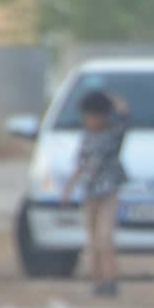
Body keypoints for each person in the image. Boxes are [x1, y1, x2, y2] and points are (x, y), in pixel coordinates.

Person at [62, 90, 129, 297]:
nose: (89, 120)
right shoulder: (86, 136)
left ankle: (111, 280)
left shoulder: (113, 134)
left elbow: (125, 113)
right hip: (89, 193)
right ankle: (97, 281)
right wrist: (69, 188)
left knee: (105, 238)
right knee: (92, 240)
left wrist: (109, 98)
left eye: (92, 116)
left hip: (108, 193)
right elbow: (81, 164)